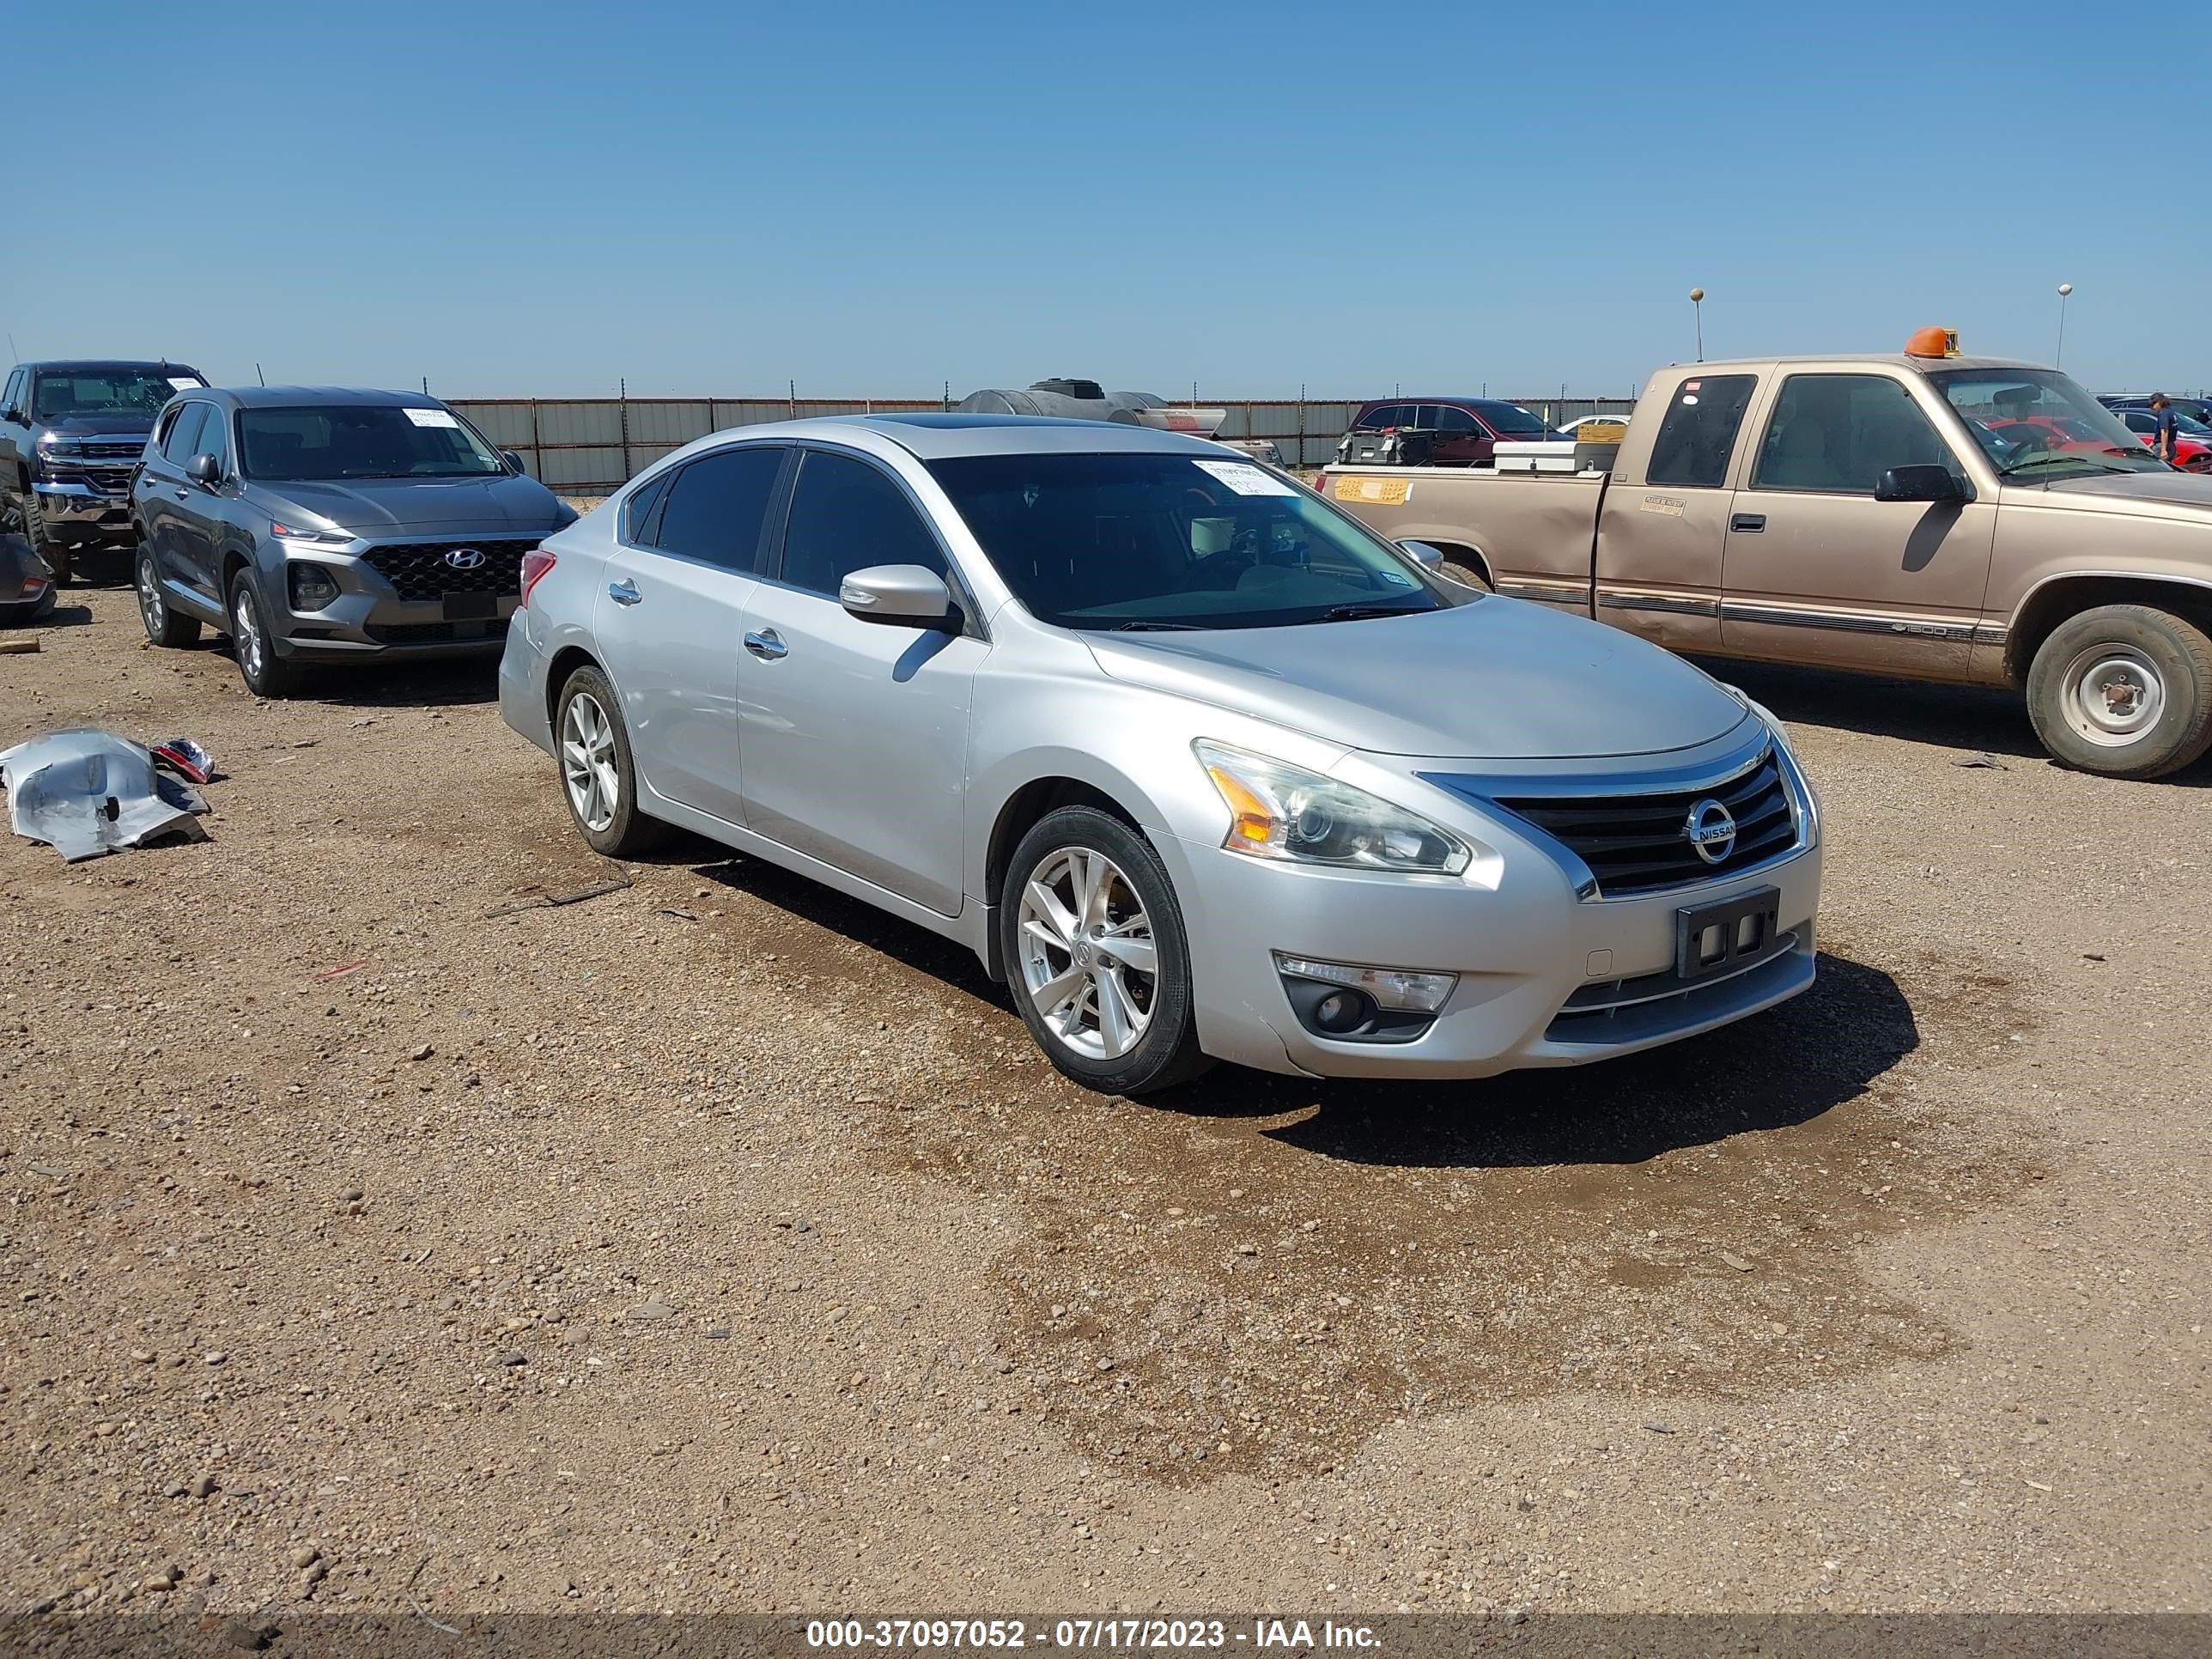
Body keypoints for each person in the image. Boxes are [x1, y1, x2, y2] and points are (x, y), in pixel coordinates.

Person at [2148, 394, 2179, 465]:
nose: (2152, 407)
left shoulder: (2164, 414)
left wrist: (2163, 450)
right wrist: (2153, 443)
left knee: (2155, 466)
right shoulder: (2170, 413)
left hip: (2162, 445)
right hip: (2170, 444)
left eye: (2153, 404)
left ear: (2159, 402)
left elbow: (2165, 431)